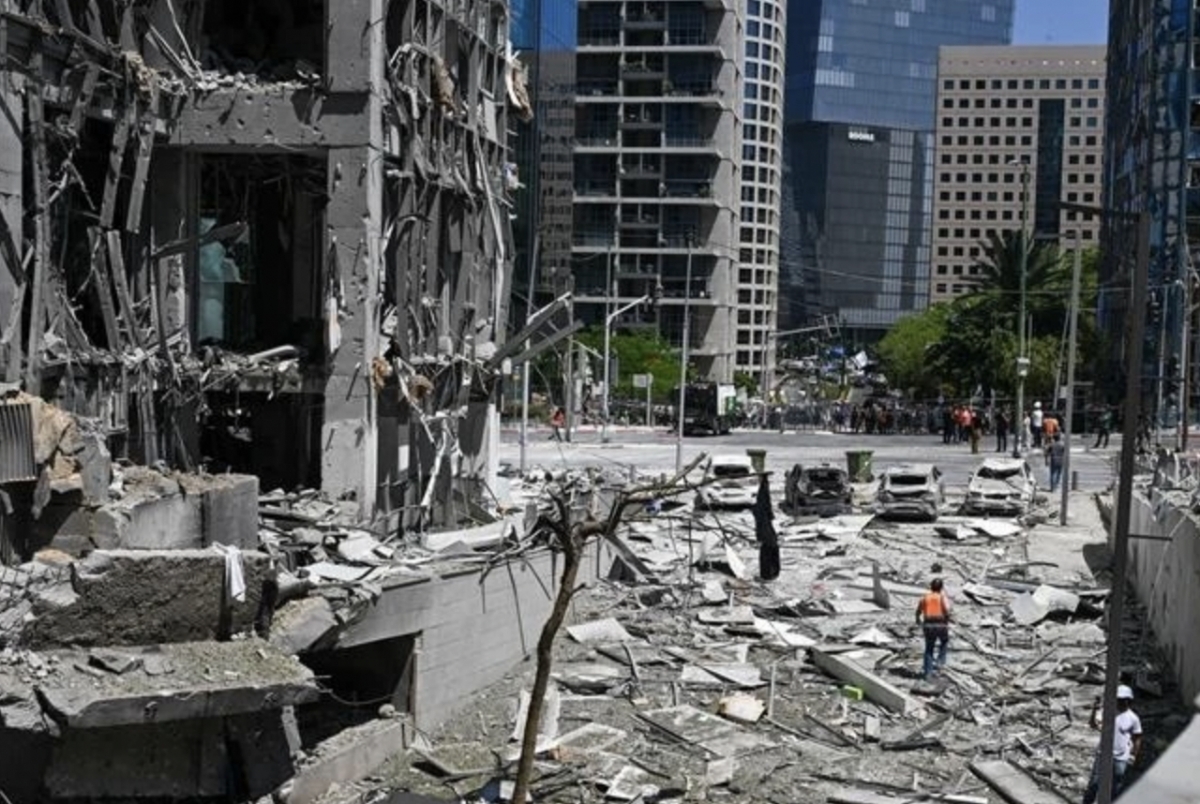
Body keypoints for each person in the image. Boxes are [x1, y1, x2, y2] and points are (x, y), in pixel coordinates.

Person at [1082, 685, 1143, 803]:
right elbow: (1093, 724)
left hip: (1121, 758)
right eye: (1118, 699)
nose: (1119, 702)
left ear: (1128, 700)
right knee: (1094, 784)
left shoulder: (1133, 718)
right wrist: (1095, 709)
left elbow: (1137, 737)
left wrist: (1134, 755)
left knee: (1116, 786)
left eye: (1122, 699)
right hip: (1103, 754)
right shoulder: (1108, 712)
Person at [915, 577, 951, 680]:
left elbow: (918, 611)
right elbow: (947, 611)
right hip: (940, 624)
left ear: (931, 586)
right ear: (941, 588)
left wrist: (918, 620)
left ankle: (928, 673)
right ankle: (940, 662)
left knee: (929, 649)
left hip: (928, 625)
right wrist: (947, 622)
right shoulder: (942, 597)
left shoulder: (925, 597)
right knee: (944, 641)